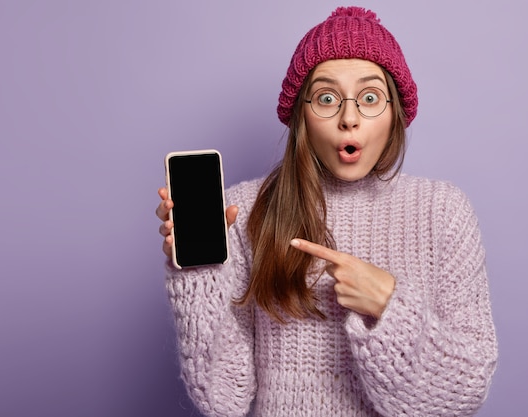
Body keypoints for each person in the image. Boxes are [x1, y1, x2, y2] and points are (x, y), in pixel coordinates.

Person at [155, 6, 497, 417]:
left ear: (395, 114)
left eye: (370, 98)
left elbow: (465, 393)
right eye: (327, 98)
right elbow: (223, 400)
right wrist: (198, 277)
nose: (349, 118)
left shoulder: (443, 212)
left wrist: (387, 306)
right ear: (301, 113)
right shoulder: (243, 212)